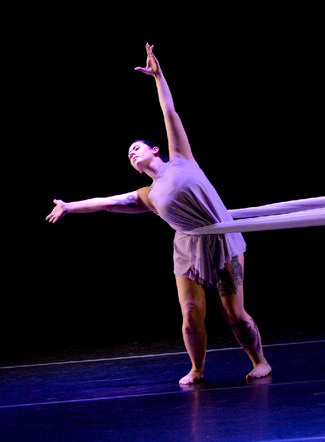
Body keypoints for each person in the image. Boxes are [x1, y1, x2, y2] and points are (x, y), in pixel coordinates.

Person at [46, 44, 272, 385]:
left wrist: (158, 76)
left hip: (221, 237)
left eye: (136, 147)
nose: (132, 153)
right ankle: (196, 369)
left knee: (234, 314)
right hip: (187, 247)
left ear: (155, 150)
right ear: (136, 169)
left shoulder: (181, 158)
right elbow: (107, 202)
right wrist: (69, 206)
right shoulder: (147, 195)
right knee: (191, 316)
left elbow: (170, 112)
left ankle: (260, 361)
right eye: (128, 154)